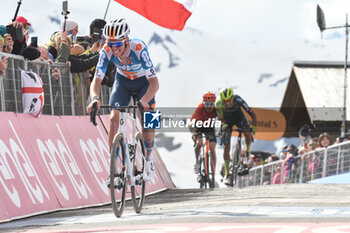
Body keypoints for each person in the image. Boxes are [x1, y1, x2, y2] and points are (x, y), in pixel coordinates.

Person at [86, 18, 159, 185]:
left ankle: (149, 159)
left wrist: (145, 99)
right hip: (123, 82)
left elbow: (155, 83)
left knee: (149, 117)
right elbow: (96, 81)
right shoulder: (106, 50)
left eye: (118, 44)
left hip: (144, 83)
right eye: (111, 44)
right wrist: (95, 99)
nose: (114, 48)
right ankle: (115, 171)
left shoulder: (139, 47)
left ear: (126, 40)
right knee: (113, 118)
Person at [215, 87, 257, 185]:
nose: (228, 103)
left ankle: (247, 152)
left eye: (229, 100)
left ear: (233, 98)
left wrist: (254, 127)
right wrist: (224, 125)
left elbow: (252, 114)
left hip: (239, 117)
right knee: (226, 147)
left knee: (247, 133)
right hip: (227, 120)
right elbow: (220, 118)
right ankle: (227, 174)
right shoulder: (218, 103)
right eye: (225, 101)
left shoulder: (238, 99)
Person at [188, 91, 217, 177]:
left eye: (211, 104)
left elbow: (223, 119)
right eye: (207, 104)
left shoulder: (217, 109)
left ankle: (213, 171)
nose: (209, 107)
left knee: (212, 147)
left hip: (209, 127)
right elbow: (190, 124)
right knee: (199, 143)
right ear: (203, 103)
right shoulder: (199, 108)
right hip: (199, 126)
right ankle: (197, 161)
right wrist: (193, 133)